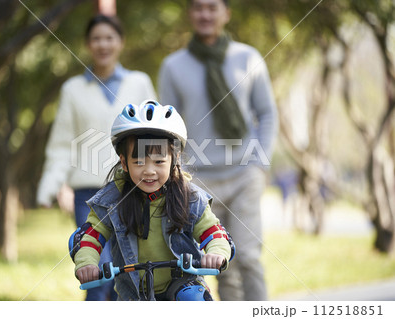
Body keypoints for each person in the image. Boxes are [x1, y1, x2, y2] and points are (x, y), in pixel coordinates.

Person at [158, 0, 278, 300]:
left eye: (212, 7)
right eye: (198, 8)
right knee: (215, 262)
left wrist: (260, 164)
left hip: (243, 174)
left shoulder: (248, 58)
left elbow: (267, 113)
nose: (205, 14)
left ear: (226, 13)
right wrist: (176, 174)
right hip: (198, 182)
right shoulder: (173, 66)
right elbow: (167, 125)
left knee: (249, 258)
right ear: (189, 14)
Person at [37, 14, 156, 301]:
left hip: (132, 190)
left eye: (109, 38)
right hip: (89, 194)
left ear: (120, 42)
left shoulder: (139, 83)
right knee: (98, 270)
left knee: (126, 271)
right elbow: (62, 143)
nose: (103, 44)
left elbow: (155, 137)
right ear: (88, 44)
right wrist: (49, 186)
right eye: (96, 38)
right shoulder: (72, 90)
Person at [73, 100, 233, 301]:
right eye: (139, 161)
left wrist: (216, 252)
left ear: (174, 159)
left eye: (159, 161)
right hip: (133, 291)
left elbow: (214, 232)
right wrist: (86, 263)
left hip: (183, 284)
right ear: (124, 162)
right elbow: (90, 236)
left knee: (194, 299)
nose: (149, 171)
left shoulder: (190, 197)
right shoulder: (112, 200)